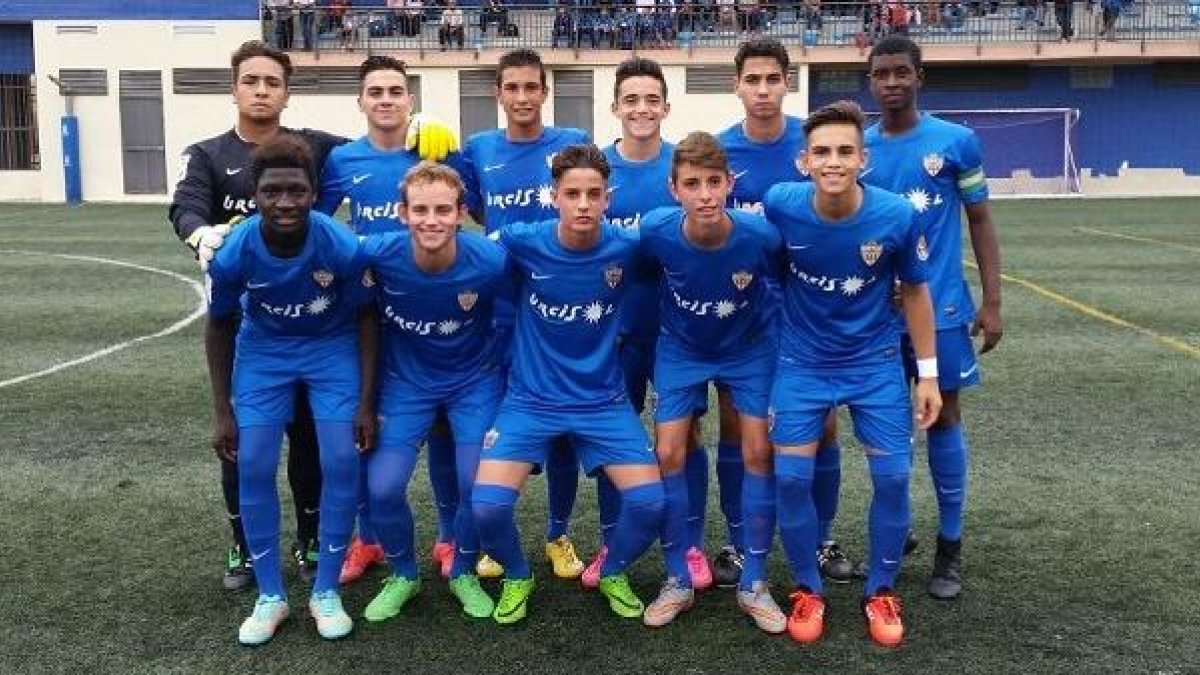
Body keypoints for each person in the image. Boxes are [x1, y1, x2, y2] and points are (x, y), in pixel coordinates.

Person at [763, 100, 941, 647]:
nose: (833, 161)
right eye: (822, 152)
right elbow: (771, 271)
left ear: (864, 159)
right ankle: (807, 588)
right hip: (801, 364)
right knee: (791, 481)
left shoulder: (894, 216)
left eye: (844, 151)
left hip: (874, 366)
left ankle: (881, 590)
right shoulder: (781, 206)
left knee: (891, 478)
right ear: (803, 161)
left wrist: (928, 375)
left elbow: (914, 290)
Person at [169, 40, 344, 592]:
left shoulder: (314, 146)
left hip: (310, 323)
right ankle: (243, 546)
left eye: (272, 81)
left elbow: (372, 152)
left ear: (286, 92)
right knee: (242, 443)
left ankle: (310, 539)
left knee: (311, 440)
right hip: (244, 327)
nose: (262, 90)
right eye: (251, 80)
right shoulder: (208, 153)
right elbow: (186, 203)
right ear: (234, 88)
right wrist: (199, 233)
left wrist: (416, 131)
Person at [471, 144, 665, 624]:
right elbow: (468, 262)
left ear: (607, 198)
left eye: (593, 194)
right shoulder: (521, 240)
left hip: (603, 400)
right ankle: (518, 574)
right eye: (572, 193)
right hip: (530, 400)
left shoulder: (627, 247)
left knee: (649, 503)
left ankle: (613, 570)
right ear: (553, 196)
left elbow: (681, 263)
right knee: (487, 508)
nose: (583, 203)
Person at [204, 135, 377, 645]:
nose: (285, 203)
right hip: (265, 354)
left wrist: (366, 403)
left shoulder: (338, 243)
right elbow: (218, 326)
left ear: (314, 192)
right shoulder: (236, 249)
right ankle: (271, 596)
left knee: (342, 462)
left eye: (296, 192)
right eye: (272, 192)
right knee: (253, 462)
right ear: (256, 195)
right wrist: (222, 411)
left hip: (331, 350)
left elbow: (367, 316)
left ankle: (326, 591)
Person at [314, 55, 466, 585]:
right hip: (369, 319)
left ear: (410, 100)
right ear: (361, 101)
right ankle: (369, 539)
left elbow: (469, 209)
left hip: (433, 316)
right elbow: (321, 224)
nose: (385, 99)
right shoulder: (341, 160)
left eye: (396, 91)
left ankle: (449, 539)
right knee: (368, 432)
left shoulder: (433, 150)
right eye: (375, 91)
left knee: (446, 432)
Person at [860, 35, 1003, 600]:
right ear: (870, 81)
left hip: (940, 308)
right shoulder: (860, 150)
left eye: (901, 72)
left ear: (920, 77)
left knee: (943, 418)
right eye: (881, 74)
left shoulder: (956, 143)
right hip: (874, 316)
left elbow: (981, 221)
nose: (891, 83)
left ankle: (950, 544)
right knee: (885, 426)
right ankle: (898, 528)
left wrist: (990, 302)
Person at [715, 38, 853, 588]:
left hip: (808, 315)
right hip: (739, 315)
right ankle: (734, 538)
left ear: (787, 83)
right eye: (753, 80)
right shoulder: (722, 153)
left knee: (822, 424)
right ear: (738, 86)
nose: (763, 90)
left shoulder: (816, 144)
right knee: (735, 426)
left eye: (773, 79)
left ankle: (822, 540)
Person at [638, 131, 784, 632]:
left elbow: (786, 282)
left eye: (714, 182)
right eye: (693, 183)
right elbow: (637, 276)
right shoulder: (656, 231)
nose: (705, 194)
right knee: (669, 454)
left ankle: (755, 581)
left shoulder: (760, 235)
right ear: (673, 189)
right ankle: (678, 577)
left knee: (758, 452)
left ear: (730, 184)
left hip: (749, 349)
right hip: (681, 350)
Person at [356, 162, 509, 622]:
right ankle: (404, 574)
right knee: (382, 488)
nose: (432, 220)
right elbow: (323, 253)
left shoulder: (490, 260)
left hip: (473, 383)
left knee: (475, 487)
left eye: (443, 209)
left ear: (462, 212)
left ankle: (462, 568)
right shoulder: (379, 254)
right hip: (405, 385)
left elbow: (514, 319)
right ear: (401, 213)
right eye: (420, 209)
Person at [461, 49, 592, 581]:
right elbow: (469, 207)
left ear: (544, 92)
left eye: (530, 88)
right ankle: (497, 541)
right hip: (501, 307)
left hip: (560, 307)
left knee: (560, 430)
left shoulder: (569, 145)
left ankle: (559, 532)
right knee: (502, 428)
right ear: (498, 93)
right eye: (511, 88)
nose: (521, 98)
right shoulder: (478, 149)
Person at [583, 58, 712, 593]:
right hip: (615, 332)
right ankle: (613, 542)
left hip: (679, 333)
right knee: (617, 437)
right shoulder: (597, 171)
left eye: (651, 99)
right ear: (615, 107)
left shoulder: (679, 172)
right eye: (630, 99)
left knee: (688, 436)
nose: (641, 108)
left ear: (665, 106)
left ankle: (691, 544)